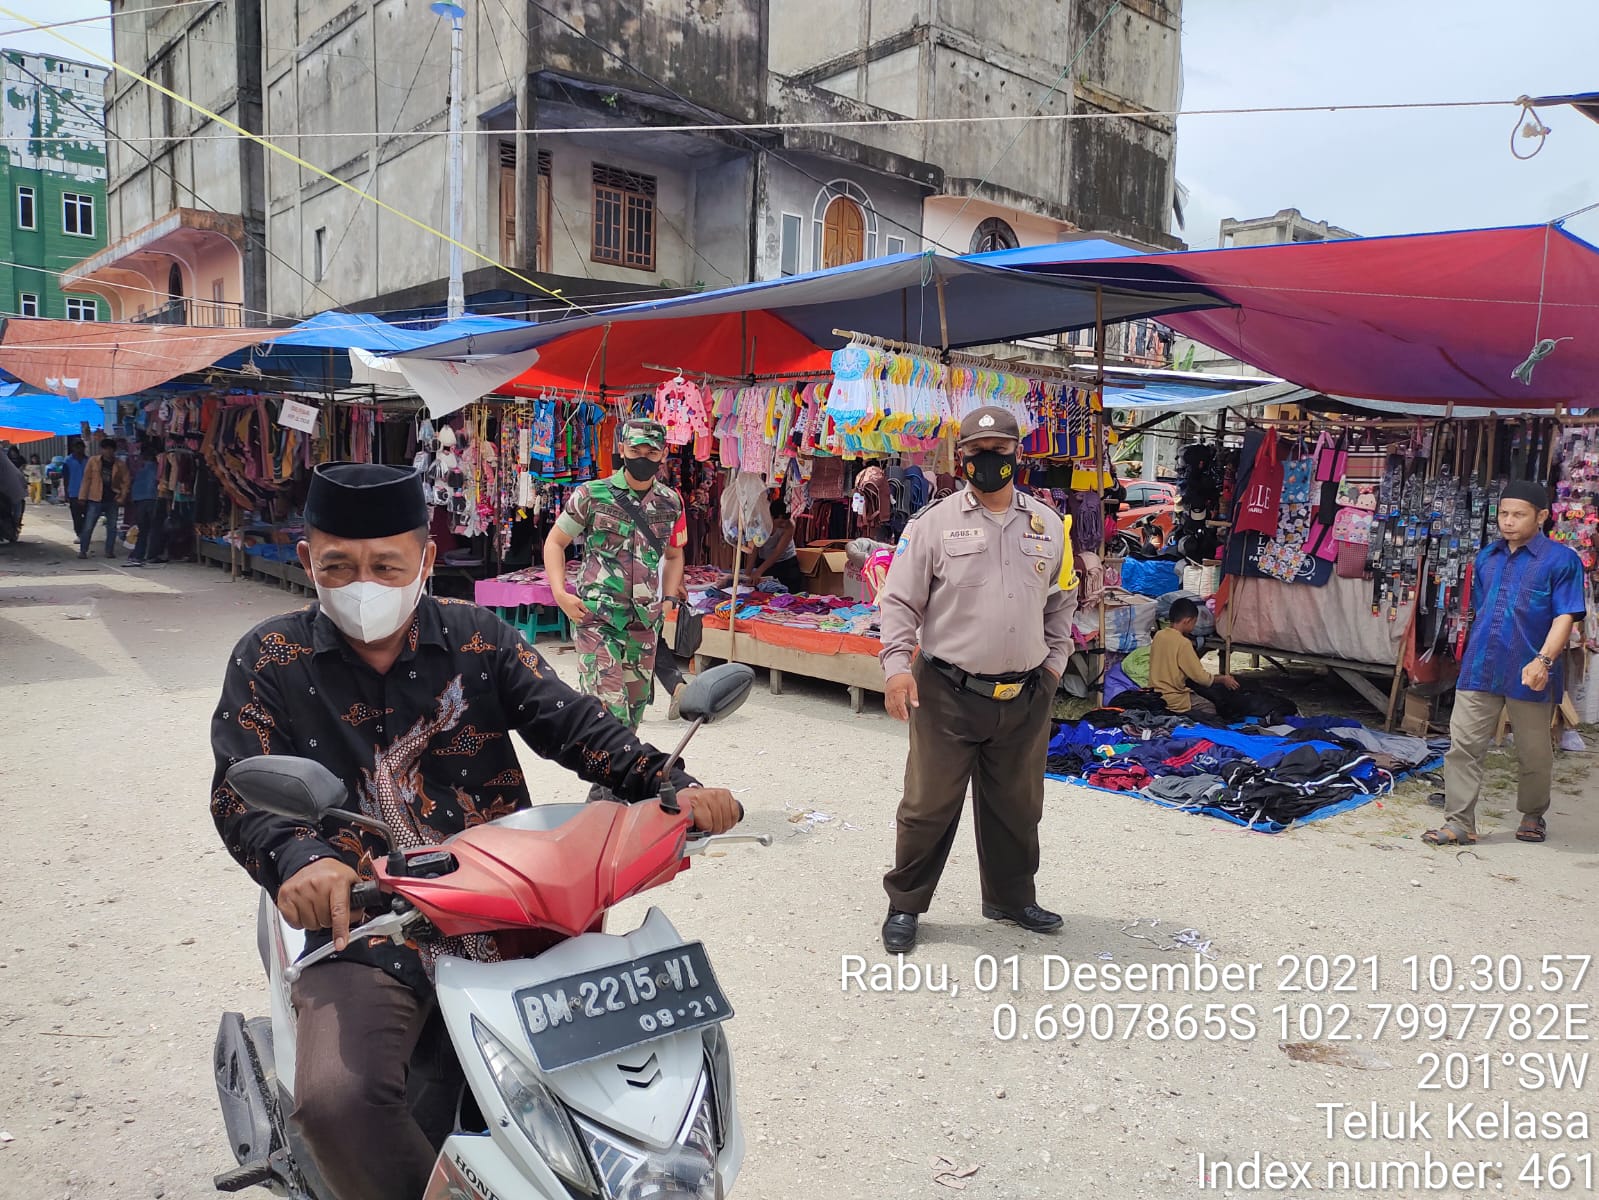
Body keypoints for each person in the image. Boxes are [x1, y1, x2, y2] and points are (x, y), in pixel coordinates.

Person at [209, 462, 740, 1200]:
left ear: (425, 559)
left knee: (632, 1075)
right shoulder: (268, 658)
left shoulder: (478, 637)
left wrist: (672, 784)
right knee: (338, 1102)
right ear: (308, 561)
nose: (363, 582)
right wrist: (301, 857)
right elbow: (242, 786)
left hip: (513, 906)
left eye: (386, 564)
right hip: (365, 923)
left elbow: (573, 723)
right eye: (339, 565)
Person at [875, 406, 1076, 954]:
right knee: (928, 805)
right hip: (947, 692)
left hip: (1025, 694)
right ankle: (906, 905)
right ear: (961, 458)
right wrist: (896, 669)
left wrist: (1054, 665)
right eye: (977, 452)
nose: (989, 461)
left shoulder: (1048, 525)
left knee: (1017, 804)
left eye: (1000, 451)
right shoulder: (933, 524)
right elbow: (897, 602)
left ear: (1018, 455)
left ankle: (1011, 898)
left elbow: (1062, 601)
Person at [1424, 481, 1585, 848]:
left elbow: (1566, 616)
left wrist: (1543, 660)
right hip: (1481, 665)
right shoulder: (1487, 557)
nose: (1508, 522)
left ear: (1542, 517)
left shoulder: (1562, 561)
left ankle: (1532, 814)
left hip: (1532, 670)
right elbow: (1483, 610)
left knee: (1533, 752)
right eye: (1503, 514)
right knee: (1462, 746)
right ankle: (1459, 823)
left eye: (1519, 515)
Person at [543, 419, 686, 734]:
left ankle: (611, 784)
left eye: (652, 452)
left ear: (663, 454)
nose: (643, 458)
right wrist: (560, 593)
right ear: (621, 449)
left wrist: (669, 599)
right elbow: (555, 542)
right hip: (598, 620)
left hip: (644, 626)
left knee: (631, 721)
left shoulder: (671, 502)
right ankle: (607, 782)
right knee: (607, 716)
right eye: (636, 449)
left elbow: (675, 555)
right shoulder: (592, 494)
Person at [1149, 598, 1238, 718]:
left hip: (1154, 694)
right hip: (1173, 698)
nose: (1194, 626)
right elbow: (1201, 678)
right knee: (1209, 708)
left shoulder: (1159, 636)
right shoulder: (1183, 643)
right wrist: (1222, 679)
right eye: (1194, 622)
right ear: (1187, 621)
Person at [723, 498, 806, 594]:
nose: (783, 524)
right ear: (771, 517)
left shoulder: (790, 525)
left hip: (786, 563)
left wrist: (758, 572)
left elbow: (777, 553)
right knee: (764, 593)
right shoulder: (760, 523)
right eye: (780, 521)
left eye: (785, 521)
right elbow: (755, 549)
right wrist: (747, 573)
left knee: (789, 594)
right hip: (764, 561)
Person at [78, 437, 130, 560]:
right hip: (95, 499)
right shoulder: (93, 461)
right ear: (101, 449)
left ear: (114, 450)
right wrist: (82, 497)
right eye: (105, 449)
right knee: (88, 526)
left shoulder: (120, 464)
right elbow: (86, 480)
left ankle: (109, 551)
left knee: (112, 527)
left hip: (112, 499)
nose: (108, 451)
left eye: (110, 449)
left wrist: (122, 497)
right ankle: (83, 550)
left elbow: (126, 482)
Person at [124, 440, 163, 567]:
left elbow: (133, 484)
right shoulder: (157, 468)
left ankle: (138, 555)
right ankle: (151, 555)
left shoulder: (138, 469)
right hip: (152, 499)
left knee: (143, 529)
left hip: (139, 501)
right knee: (154, 528)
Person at [62, 440, 89, 536]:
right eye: (77, 447)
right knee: (76, 516)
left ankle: (85, 533)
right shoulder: (68, 461)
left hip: (87, 493)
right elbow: (66, 477)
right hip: (74, 492)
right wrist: (66, 493)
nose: (79, 449)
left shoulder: (88, 460)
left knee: (88, 516)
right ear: (73, 448)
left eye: (81, 447)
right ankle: (79, 534)